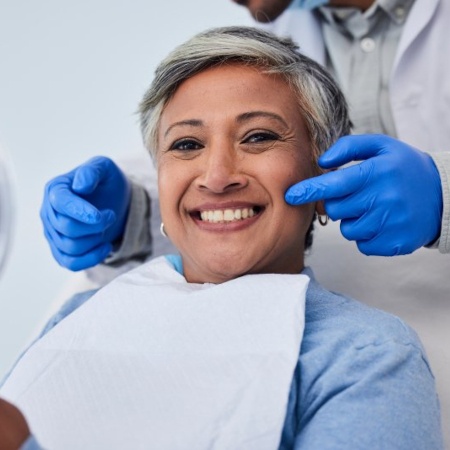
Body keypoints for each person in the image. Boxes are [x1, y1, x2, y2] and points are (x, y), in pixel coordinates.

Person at [2, 27, 442, 449]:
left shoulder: (366, 357)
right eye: (187, 145)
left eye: (259, 137)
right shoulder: (79, 317)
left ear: (323, 176)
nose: (216, 178)